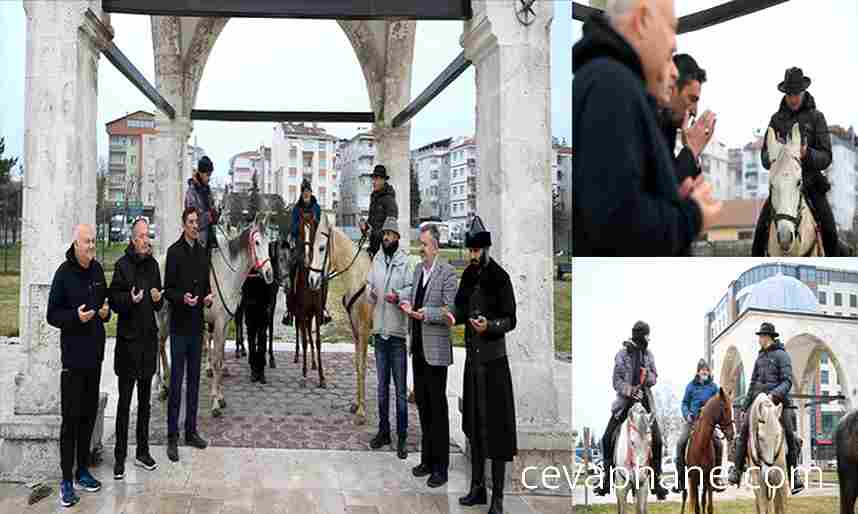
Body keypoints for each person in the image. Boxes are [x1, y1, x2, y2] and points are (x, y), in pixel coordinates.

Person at [572, 0, 722, 256]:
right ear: (642, 21)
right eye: (670, 28)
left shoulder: (612, 82)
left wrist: (672, 197)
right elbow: (617, 226)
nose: (673, 45)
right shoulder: (613, 85)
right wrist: (693, 215)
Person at [445, 215, 517, 514]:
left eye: (477, 251)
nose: (473, 255)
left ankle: (497, 498)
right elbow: (461, 307)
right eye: (470, 251)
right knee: (473, 428)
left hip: (494, 364)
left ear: (486, 248)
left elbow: (511, 320)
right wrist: (454, 317)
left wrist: (489, 325)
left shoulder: (500, 277)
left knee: (497, 431)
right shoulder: (468, 275)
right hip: (472, 363)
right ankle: (477, 489)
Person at [47, 224, 111, 507]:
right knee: (70, 421)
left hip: (94, 358)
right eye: (87, 242)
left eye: (94, 241)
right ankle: (65, 480)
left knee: (87, 417)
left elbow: (104, 304)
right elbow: (52, 314)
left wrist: (106, 313)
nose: (92, 246)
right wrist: (75, 316)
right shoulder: (63, 274)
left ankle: (82, 470)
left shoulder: (97, 271)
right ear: (75, 244)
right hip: (73, 361)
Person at [751, 67, 837, 256]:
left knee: (830, 229)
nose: (793, 98)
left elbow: (826, 156)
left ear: (803, 91)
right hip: (783, 187)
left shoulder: (817, 117)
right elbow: (765, 158)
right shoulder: (776, 120)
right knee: (759, 233)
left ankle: (836, 256)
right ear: (785, 94)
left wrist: (808, 154)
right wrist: (775, 154)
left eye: (796, 93)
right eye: (789, 94)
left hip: (811, 184)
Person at [400, 223, 458, 487]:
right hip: (419, 350)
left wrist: (426, 314)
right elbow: (414, 296)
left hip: (436, 352)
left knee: (438, 408)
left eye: (424, 244)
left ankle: (441, 467)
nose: (420, 249)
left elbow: (450, 309)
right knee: (423, 404)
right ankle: (426, 459)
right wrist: (405, 303)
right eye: (420, 244)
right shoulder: (418, 270)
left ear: (435, 246)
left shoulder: (447, 273)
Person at [109, 218, 163, 480]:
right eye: (142, 236)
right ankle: (120, 456)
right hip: (129, 345)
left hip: (148, 343)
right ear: (133, 239)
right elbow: (114, 300)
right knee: (124, 403)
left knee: (145, 403)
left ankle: (142, 451)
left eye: (148, 235)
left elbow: (157, 302)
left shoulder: (153, 265)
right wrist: (129, 299)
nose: (146, 239)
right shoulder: (122, 266)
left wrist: (157, 298)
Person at [594, 321, 670, 499]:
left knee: (657, 441)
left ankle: (656, 481)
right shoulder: (622, 354)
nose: (648, 339)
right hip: (624, 404)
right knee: (606, 438)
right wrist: (630, 390)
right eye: (646, 335)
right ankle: (607, 480)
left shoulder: (649, 354)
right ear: (640, 335)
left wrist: (647, 376)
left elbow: (655, 377)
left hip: (645, 404)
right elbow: (616, 381)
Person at [728, 322, 804, 494]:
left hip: (778, 402)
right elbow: (753, 384)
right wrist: (745, 407)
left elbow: (787, 381)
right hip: (757, 402)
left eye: (761, 336)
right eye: (759, 336)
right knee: (744, 431)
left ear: (768, 337)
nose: (759, 339)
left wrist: (773, 395)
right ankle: (737, 470)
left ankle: (794, 477)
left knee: (790, 436)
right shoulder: (759, 358)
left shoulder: (782, 356)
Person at [163, 207, 212, 462]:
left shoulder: (203, 253)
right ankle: (172, 435)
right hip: (179, 327)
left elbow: (206, 288)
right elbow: (167, 290)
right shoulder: (174, 252)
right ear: (183, 225)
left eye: (197, 222)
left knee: (195, 382)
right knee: (177, 382)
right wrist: (183, 297)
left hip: (197, 327)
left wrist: (208, 298)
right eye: (191, 222)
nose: (195, 226)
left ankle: (190, 431)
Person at [365, 217, 413, 459]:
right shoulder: (376, 259)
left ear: (397, 238)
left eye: (390, 235)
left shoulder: (405, 262)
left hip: (396, 335)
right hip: (380, 333)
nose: (386, 238)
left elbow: (411, 290)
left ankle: (402, 436)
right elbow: (369, 286)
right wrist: (371, 293)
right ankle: (384, 431)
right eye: (384, 234)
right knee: (382, 388)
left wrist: (399, 296)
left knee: (400, 391)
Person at [660, 53, 715, 184]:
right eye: (692, 99)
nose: (695, 111)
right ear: (671, 90)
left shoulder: (668, 127)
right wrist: (692, 149)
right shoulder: (649, 123)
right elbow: (667, 189)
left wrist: (692, 153)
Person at [672, 359, 724, 494]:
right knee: (680, 443)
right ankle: (680, 481)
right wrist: (687, 414)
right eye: (702, 370)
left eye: (707, 370)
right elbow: (684, 403)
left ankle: (716, 478)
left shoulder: (713, 387)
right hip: (692, 421)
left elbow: (719, 404)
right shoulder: (690, 386)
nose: (705, 372)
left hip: (708, 424)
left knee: (719, 444)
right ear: (698, 372)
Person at [284, 178, 329, 326]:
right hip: (300, 246)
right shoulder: (296, 209)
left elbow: (321, 227)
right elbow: (292, 228)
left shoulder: (317, 208)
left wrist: (313, 224)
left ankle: (323, 308)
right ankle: (289, 310)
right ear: (301, 193)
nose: (306, 194)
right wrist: (303, 225)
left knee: (325, 273)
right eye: (304, 191)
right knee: (291, 268)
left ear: (311, 192)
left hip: (315, 246)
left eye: (308, 191)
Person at [360, 164, 398, 259]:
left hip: (385, 251)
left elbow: (391, 230)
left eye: (376, 179)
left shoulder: (389, 200)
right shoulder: (374, 198)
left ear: (383, 180)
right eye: (373, 179)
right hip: (373, 248)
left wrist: (373, 233)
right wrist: (364, 227)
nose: (373, 182)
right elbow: (371, 224)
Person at [185, 155, 220, 252]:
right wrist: (209, 216)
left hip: (208, 242)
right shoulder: (191, 193)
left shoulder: (207, 191)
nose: (209, 178)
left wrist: (216, 214)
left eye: (210, 175)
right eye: (207, 175)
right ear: (200, 173)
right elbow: (192, 221)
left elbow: (212, 209)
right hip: (196, 244)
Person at [242, 271, 270, 384]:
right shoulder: (247, 268)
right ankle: (253, 369)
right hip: (250, 309)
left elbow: (270, 286)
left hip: (263, 309)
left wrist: (269, 305)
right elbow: (243, 288)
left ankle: (261, 369)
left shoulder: (265, 267)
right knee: (251, 341)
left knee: (262, 340)